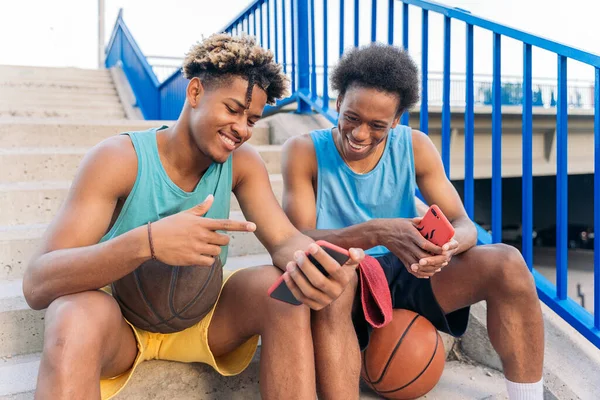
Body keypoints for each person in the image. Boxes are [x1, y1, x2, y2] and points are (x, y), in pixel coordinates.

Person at [22, 34, 363, 400]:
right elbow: (38, 283)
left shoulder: (242, 164)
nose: (242, 129)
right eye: (233, 109)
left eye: (251, 119)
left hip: (206, 322)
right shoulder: (118, 159)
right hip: (121, 326)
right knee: (71, 314)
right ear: (196, 92)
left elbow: (283, 239)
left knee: (284, 289)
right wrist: (148, 242)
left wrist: (312, 260)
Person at [281, 43, 545, 400]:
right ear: (339, 100)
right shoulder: (303, 150)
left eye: (377, 125)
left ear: (397, 117)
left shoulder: (415, 146)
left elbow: (463, 223)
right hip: (348, 275)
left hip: (407, 268)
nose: (360, 134)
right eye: (352, 118)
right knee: (336, 282)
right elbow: (297, 240)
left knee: (508, 263)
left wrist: (448, 246)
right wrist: (377, 231)